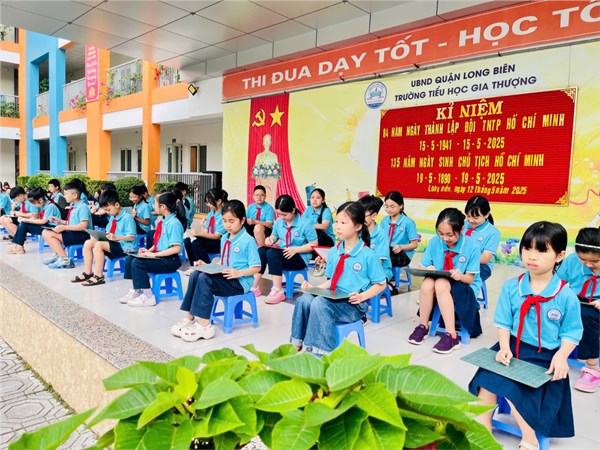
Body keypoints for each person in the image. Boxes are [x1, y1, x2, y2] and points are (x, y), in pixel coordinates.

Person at [469, 221, 583, 449]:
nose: (531, 256)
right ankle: (483, 428)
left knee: (514, 389)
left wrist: (561, 356)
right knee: (486, 380)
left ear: (560, 256)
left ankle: (529, 438)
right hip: (513, 347)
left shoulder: (566, 295)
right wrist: (503, 347)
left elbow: (572, 333)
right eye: (526, 248)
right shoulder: (512, 287)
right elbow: (503, 322)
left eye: (541, 250)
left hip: (546, 356)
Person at [290, 201, 386, 355]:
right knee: (304, 299)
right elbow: (331, 280)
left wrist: (361, 297)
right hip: (333, 296)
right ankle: (296, 345)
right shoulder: (334, 251)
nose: (337, 226)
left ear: (357, 226)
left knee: (320, 303)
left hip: (353, 305)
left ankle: (320, 352)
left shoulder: (368, 255)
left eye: (343, 222)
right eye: (336, 222)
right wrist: (314, 289)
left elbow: (381, 284)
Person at [172, 200, 261, 341]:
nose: (228, 225)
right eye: (225, 221)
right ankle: (189, 317)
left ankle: (204, 325)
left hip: (239, 282)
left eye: (232, 221)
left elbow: (257, 267)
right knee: (196, 274)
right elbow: (223, 262)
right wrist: (206, 265)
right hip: (226, 276)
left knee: (205, 279)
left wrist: (238, 273)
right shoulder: (225, 237)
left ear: (243, 220)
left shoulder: (248, 240)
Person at [408, 208, 483, 353]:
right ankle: (423, 326)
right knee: (428, 283)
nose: (445, 238)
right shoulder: (435, 242)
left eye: (450, 235)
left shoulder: (472, 246)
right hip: (439, 284)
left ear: (462, 229)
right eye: (441, 233)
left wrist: (460, 276)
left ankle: (451, 335)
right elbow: (421, 266)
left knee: (441, 283)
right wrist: (427, 269)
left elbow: (470, 279)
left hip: (464, 287)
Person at [119, 191, 185, 307]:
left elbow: (176, 248)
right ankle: (137, 290)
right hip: (161, 256)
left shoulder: (174, 223)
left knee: (138, 263)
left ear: (163, 207)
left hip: (171, 260)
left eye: (155, 203)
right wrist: (149, 250)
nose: (153, 206)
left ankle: (148, 296)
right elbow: (159, 242)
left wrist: (154, 255)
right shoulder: (164, 221)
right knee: (130, 259)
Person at [251, 194, 317, 304]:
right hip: (283, 254)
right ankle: (254, 286)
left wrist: (295, 250)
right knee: (262, 250)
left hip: (299, 257)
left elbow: (314, 244)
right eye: (279, 214)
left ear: (293, 210)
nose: (282, 217)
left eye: (284, 215)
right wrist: (270, 239)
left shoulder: (306, 223)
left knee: (272, 253)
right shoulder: (279, 222)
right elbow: (274, 236)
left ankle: (278, 290)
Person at [557, 227, 600, 393]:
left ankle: (592, 367)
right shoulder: (572, 261)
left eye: (595, 261)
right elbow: (557, 282)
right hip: (577, 300)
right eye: (583, 259)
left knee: (584, 315)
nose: (588, 264)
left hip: (594, 306)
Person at [71, 190, 137, 287]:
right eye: (106, 210)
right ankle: (88, 273)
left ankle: (99, 276)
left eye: (108, 210)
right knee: (88, 242)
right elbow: (108, 231)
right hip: (114, 243)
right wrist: (100, 236)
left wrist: (116, 237)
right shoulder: (113, 217)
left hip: (125, 246)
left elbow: (131, 237)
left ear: (117, 205)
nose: (107, 213)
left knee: (99, 245)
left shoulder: (127, 218)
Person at [41, 182, 93, 269]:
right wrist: (59, 221)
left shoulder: (82, 207)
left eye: (66, 194)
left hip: (82, 235)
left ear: (75, 195)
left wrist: (63, 227)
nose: (64, 197)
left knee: (49, 234)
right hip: (74, 232)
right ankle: (59, 255)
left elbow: (83, 226)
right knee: (45, 232)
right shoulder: (74, 206)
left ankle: (65, 260)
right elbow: (72, 223)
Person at [380, 191, 418, 295]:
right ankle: (380, 282)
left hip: (403, 254)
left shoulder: (408, 222)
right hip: (388, 251)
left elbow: (414, 244)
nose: (389, 209)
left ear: (401, 206)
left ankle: (390, 283)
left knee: (386, 255)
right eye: (386, 206)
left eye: (392, 206)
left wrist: (401, 247)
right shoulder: (384, 221)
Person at [6, 188, 61, 255]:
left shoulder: (50, 207)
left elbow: (43, 221)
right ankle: (19, 246)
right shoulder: (45, 204)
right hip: (46, 225)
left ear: (40, 200)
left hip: (51, 227)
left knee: (23, 224)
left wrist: (27, 220)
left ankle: (19, 247)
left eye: (34, 204)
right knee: (23, 224)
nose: (35, 206)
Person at [184, 188, 227, 266]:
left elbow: (216, 236)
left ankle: (205, 266)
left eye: (210, 203)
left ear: (219, 201)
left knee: (197, 243)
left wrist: (199, 233)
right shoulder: (211, 214)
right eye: (207, 203)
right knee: (187, 241)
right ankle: (195, 265)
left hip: (219, 242)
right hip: (210, 240)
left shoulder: (223, 215)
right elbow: (206, 232)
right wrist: (196, 234)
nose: (208, 205)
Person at [464, 195, 501, 282]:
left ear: (486, 215)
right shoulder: (462, 224)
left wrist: (463, 257)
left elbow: (485, 258)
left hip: (481, 266)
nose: (471, 220)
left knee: (460, 282)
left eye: (476, 218)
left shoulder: (493, 232)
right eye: (468, 216)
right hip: (459, 261)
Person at [358, 195, 392, 283]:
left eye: (363, 216)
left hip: (380, 271)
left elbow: (379, 262)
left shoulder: (382, 235)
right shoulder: (357, 231)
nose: (359, 219)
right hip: (359, 269)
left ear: (374, 216)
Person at [252, 133, 280, 201]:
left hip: (271, 183)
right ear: (263, 143)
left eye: (268, 141)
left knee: (270, 197)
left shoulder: (274, 156)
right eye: (265, 141)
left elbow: (277, 169)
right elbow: (255, 168)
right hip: (261, 181)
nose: (267, 143)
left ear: (270, 143)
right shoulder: (259, 156)